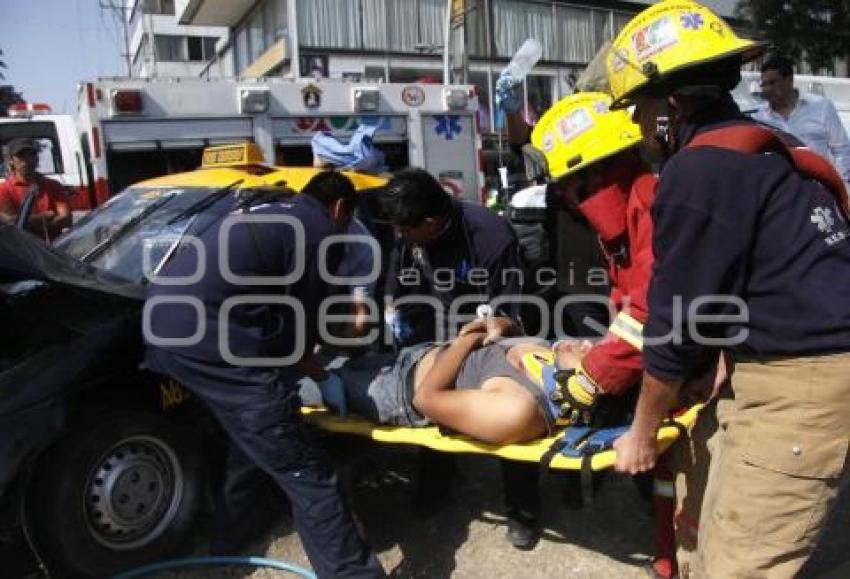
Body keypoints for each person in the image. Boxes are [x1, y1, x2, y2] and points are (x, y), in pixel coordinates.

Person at [606, 1, 850, 577]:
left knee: (742, 564)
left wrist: (641, 433)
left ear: (670, 106)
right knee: (718, 527)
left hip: (802, 386)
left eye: (638, 113)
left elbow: (676, 324)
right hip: (788, 366)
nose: (637, 130)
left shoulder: (698, 171)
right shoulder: (766, 144)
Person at [144, 171, 385, 579]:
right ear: (340, 208)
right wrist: (323, 374)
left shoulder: (269, 210)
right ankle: (353, 574)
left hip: (164, 331)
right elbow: (299, 332)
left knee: (248, 436)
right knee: (304, 468)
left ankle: (231, 535)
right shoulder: (319, 231)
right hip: (211, 338)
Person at [380, 168, 546, 549]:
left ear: (431, 221)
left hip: (490, 328)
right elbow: (399, 267)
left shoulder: (489, 236)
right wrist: (393, 305)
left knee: (509, 417)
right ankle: (438, 479)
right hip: (436, 321)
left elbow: (508, 310)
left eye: (406, 230)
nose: (401, 235)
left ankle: (523, 508)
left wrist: (476, 337)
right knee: (427, 404)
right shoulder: (409, 229)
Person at [300, 317, 589, 444]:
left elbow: (425, 400)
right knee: (323, 363)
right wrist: (503, 324)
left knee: (296, 387)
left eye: (590, 357)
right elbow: (512, 330)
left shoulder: (517, 409)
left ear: (580, 386)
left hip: (395, 393)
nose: (586, 344)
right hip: (411, 358)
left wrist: (470, 340)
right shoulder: (548, 354)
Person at [753, 54, 850, 187]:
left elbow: (842, 149)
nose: (767, 89)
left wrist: (840, 184)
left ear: (789, 80)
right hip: (781, 191)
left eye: (773, 82)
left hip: (819, 187)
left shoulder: (821, 107)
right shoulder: (759, 118)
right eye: (764, 84)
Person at [0, 138, 70, 242]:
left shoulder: (53, 185)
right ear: (11, 160)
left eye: (31, 155)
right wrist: (45, 217)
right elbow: (10, 224)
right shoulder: (4, 189)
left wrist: (29, 223)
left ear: (37, 158)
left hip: (53, 249)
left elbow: (66, 218)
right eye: (20, 155)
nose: (26, 160)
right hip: (23, 251)